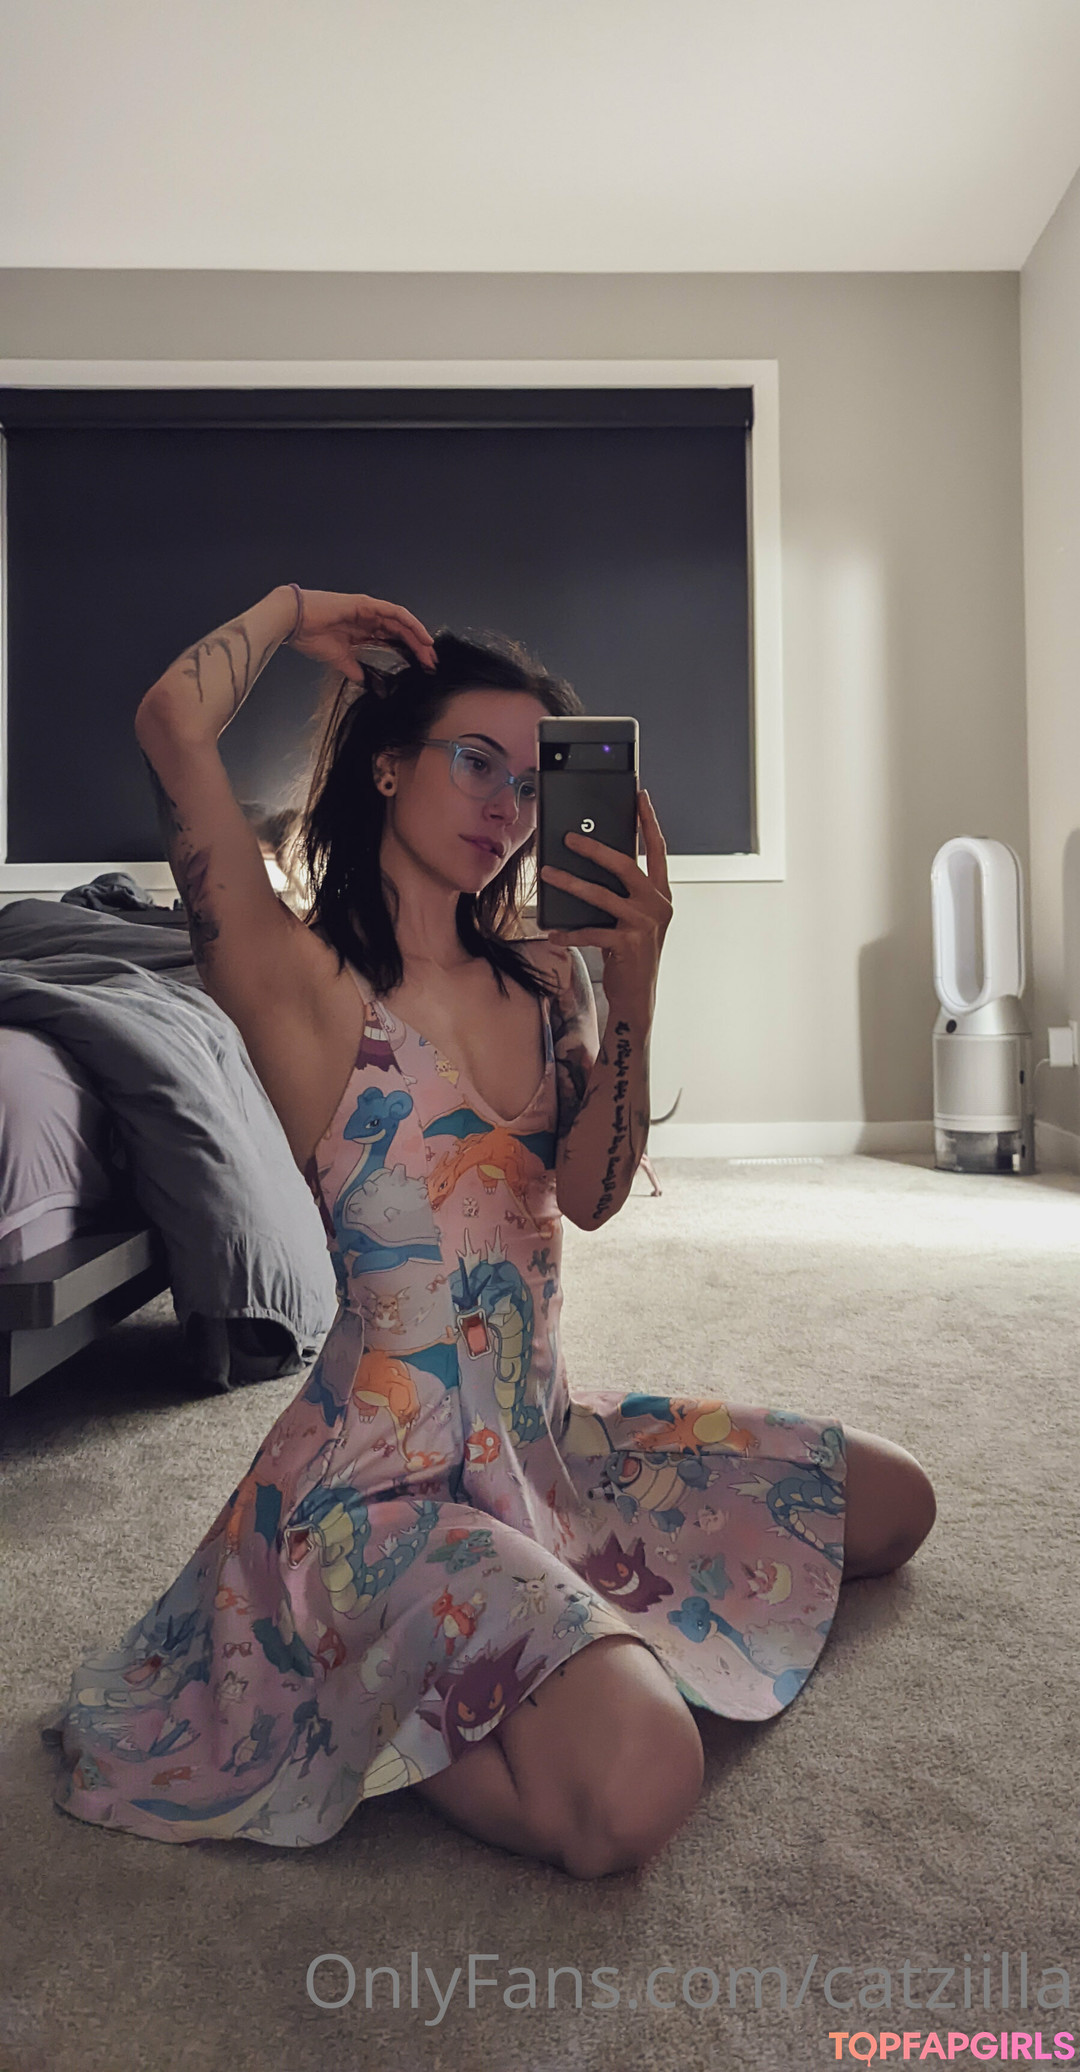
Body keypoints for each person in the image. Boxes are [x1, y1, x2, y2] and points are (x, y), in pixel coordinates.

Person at [45, 584, 937, 1878]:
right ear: (388, 764)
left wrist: (636, 986)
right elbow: (168, 721)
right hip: (373, 1498)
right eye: (475, 762)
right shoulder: (299, 984)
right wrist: (292, 611)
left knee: (894, 1503)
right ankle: (369, 1700)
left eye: (531, 784)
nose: (506, 808)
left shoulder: (544, 975)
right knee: (638, 1781)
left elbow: (591, 1194)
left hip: (542, 1448)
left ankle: (498, 1659)